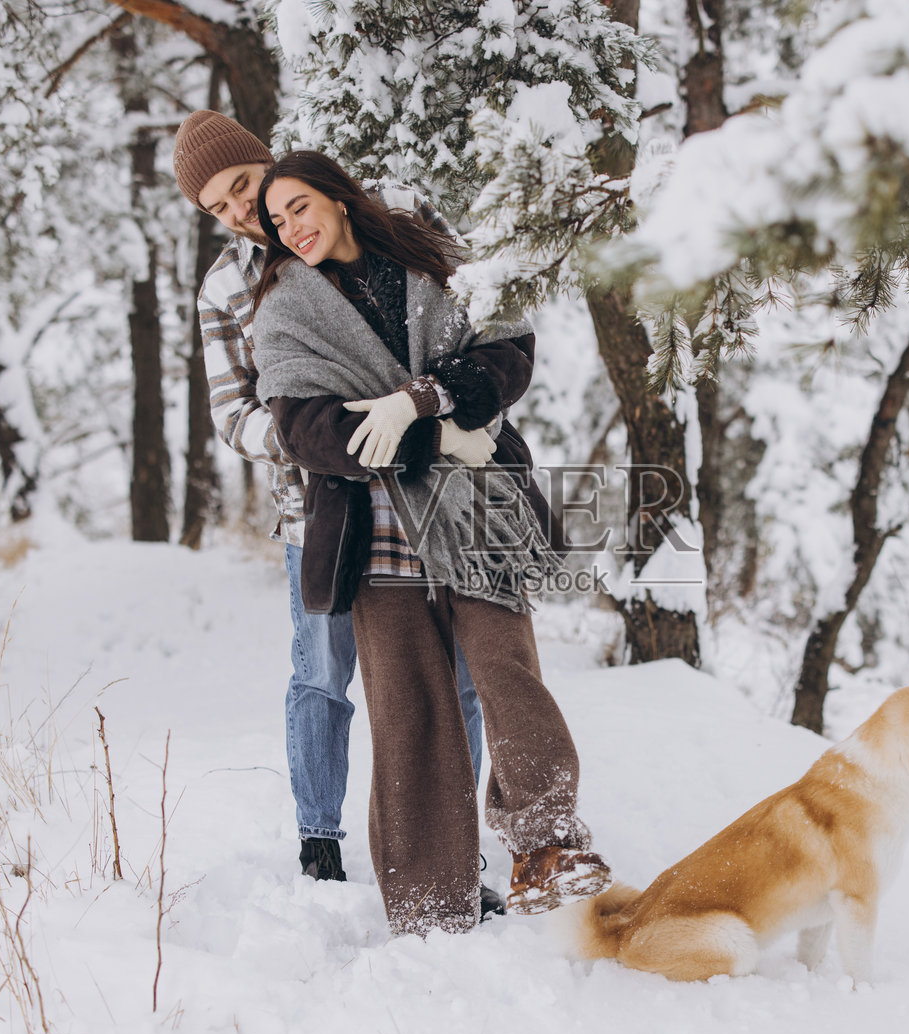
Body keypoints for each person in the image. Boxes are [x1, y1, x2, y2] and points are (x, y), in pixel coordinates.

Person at [250, 150, 612, 937]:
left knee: (506, 669)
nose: (293, 228)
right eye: (279, 221)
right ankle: (428, 903)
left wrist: (427, 399)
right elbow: (304, 429)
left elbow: (508, 351)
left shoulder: (431, 257)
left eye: (302, 207)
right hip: (372, 528)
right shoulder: (283, 310)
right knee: (408, 706)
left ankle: (547, 842)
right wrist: (420, 441)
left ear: (340, 200)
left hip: (474, 502)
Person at [171, 112, 497, 910]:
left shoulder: (373, 216)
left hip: (436, 493)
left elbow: (474, 311)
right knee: (323, 671)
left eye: (243, 187)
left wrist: (429, 418)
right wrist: (336, 436)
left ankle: (459, 849)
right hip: (318, 507)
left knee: (456, 676)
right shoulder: (225, 286)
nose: (241, 213)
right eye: (218, 208)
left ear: (270, 166)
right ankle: (320, 839)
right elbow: (233, 416)